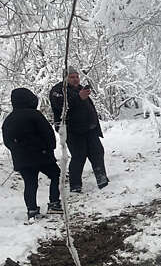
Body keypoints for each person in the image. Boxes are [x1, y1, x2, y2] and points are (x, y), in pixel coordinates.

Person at [2, 88, 63, 220]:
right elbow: (47, 133)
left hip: (22, 159)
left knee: (30, 183)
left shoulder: (8, 120)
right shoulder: (35, 115)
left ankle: (32, 210)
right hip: (42, 155)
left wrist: (17, 151)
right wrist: (49, 148)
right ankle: (54, 203)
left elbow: (7, 142)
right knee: (55, 175)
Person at [49, 66, 109, 192]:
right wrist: (78, 98)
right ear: (65, 78)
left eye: (77, 76)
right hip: (73, 131)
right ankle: (75, 185)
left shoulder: (79, 89)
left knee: (97, 152)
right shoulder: (58, 91)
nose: (76, 79)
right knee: (79, 156)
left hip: (90, 129)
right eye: (72, 77)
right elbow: (62, 106)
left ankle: (102, 179)